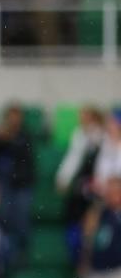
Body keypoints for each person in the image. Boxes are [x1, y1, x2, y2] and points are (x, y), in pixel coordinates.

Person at [58, 107, 105, 261]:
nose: (82, 121)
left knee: (94, 221)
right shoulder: (79, 135)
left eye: (86, 117)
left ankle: (90, 255)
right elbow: (73, 158)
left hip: (98, 187)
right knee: (74, 216)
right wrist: (63, 178)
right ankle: (77, 255)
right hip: (82, 185)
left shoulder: (103, 136)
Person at [0, 104, 36, 254]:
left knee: (21, 219)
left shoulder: (25, 135)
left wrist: (9, 138)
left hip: (21, 184)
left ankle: (22, 252)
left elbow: (25, 156)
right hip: (4, 183)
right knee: (4, 218)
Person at [81, 177, 121, 278]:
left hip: (118, 270)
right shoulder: (100, 213)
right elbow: (88, 235)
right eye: (108, 191)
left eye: (114, 191)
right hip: (97, 270)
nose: (110, 195)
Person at [93, 110, 121, 197]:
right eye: (109, 123)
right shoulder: (105, 142)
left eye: (113, 123)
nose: (109, 126)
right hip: (104, 189)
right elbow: (100, 166)